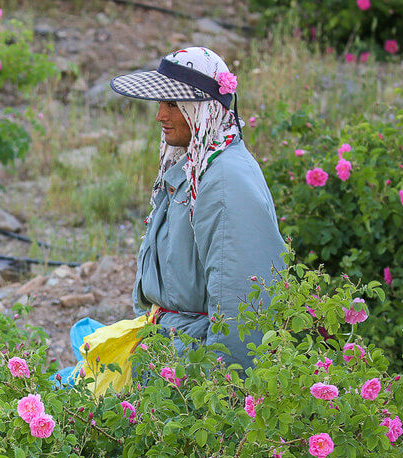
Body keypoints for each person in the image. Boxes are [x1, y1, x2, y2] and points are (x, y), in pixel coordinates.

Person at [108, 46, 286, 370]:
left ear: (203, 110)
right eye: (162, 103)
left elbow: (241, 302)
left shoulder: (225, 181)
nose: (161, 115)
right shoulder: (198, 164)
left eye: (173, 104)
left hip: (195, 364)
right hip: (174, 350)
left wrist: (221, 392)